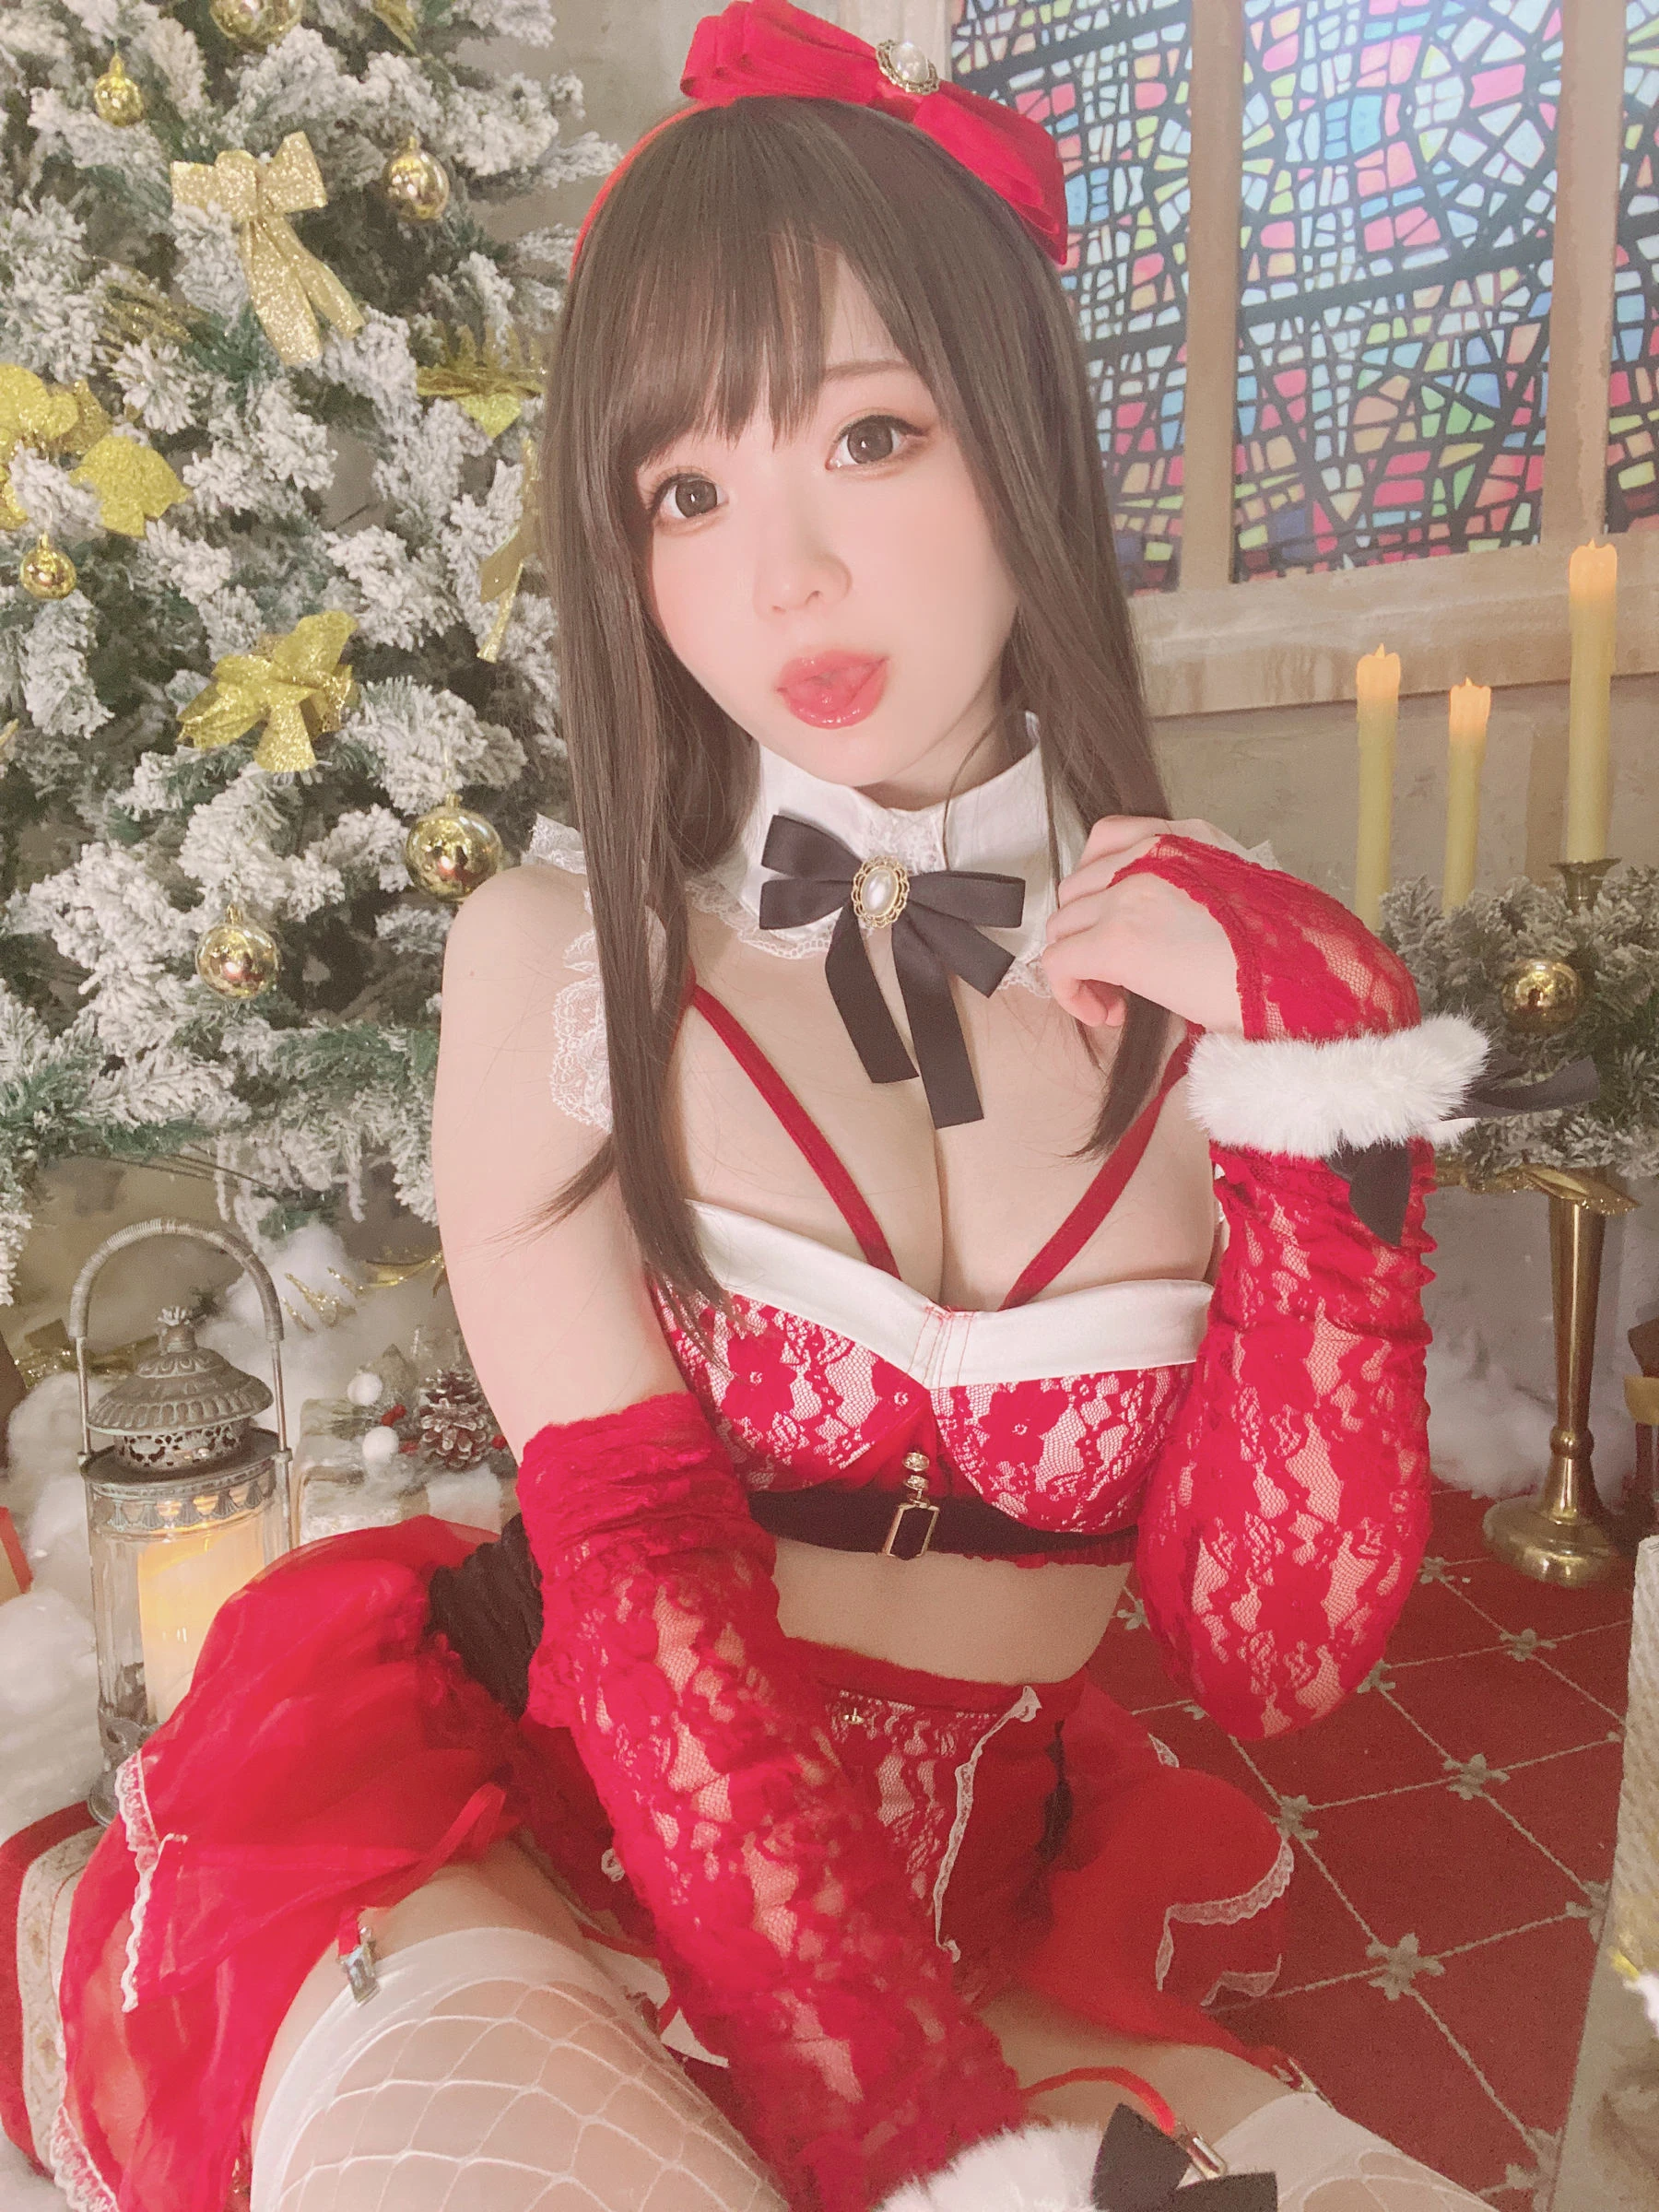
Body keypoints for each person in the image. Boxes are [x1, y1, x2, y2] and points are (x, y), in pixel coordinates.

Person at [54, 6, 1504, 2209]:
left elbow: (1268, 1652)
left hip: (984, 1918)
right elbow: (650, 1604)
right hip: (540, 1866)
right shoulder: (562, 964)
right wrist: (923, 2149)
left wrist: (1329, 1092)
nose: (781, 577)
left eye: (872, 435)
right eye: (687, 492)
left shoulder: (1223, 987)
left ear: (1021, 440)